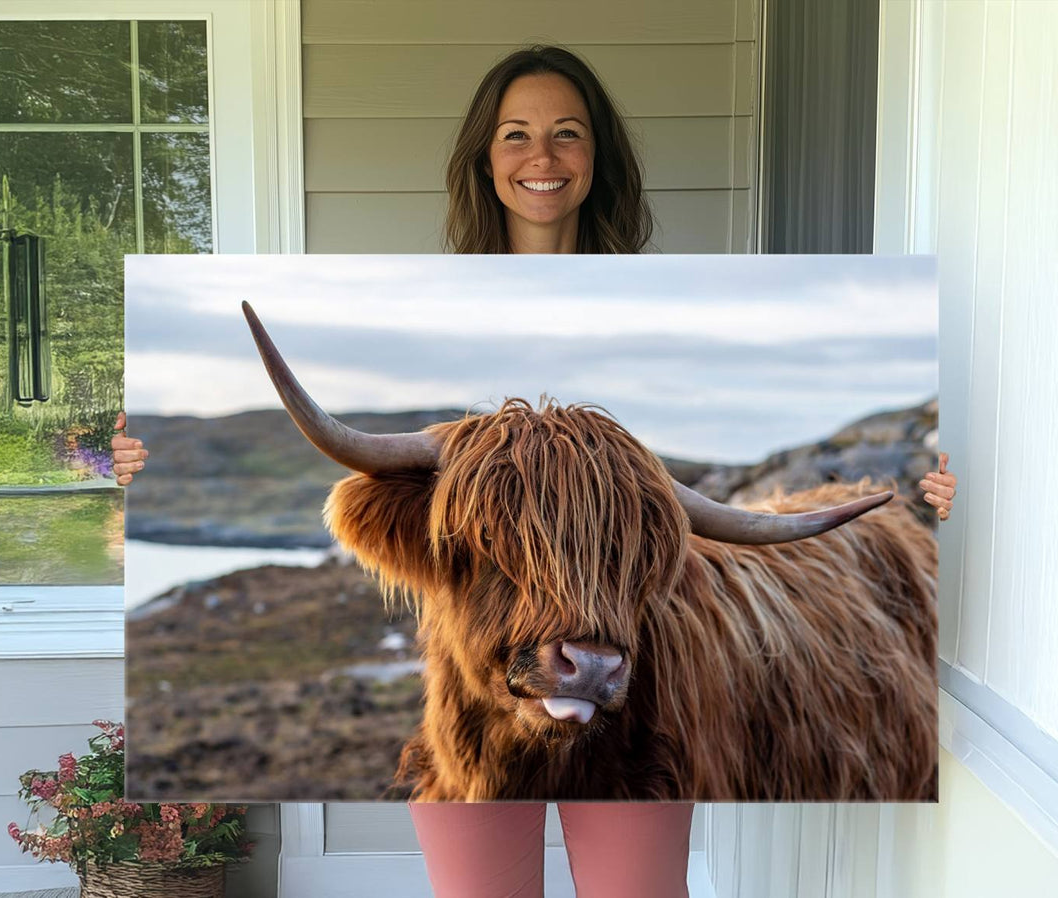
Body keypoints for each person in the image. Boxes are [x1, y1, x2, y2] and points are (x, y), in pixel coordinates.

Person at [114, 45, 958, 898]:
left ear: (600, 158)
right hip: (472, 733)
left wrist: (952, 480)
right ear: (485, 157)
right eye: (516, 135)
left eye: (568, 135)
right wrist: (114, 462)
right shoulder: (409, 281)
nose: (542, 158)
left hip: (639, 739)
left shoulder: (682, 283)